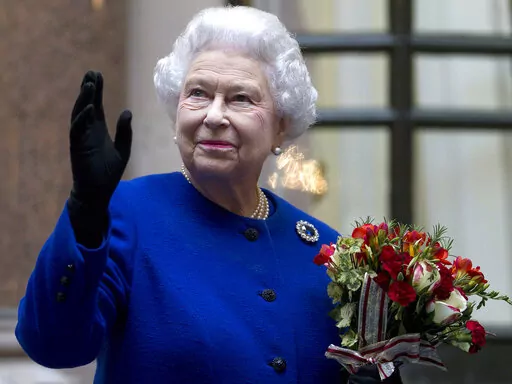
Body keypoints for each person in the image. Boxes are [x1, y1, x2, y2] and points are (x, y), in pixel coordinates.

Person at [15, 6, 402, 384]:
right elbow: (53, 347)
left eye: (240, 99)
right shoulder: (126, 215)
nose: (214, 116)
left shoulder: (326, 250)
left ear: (281, 127)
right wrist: (84, 211)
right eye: (198, 93)